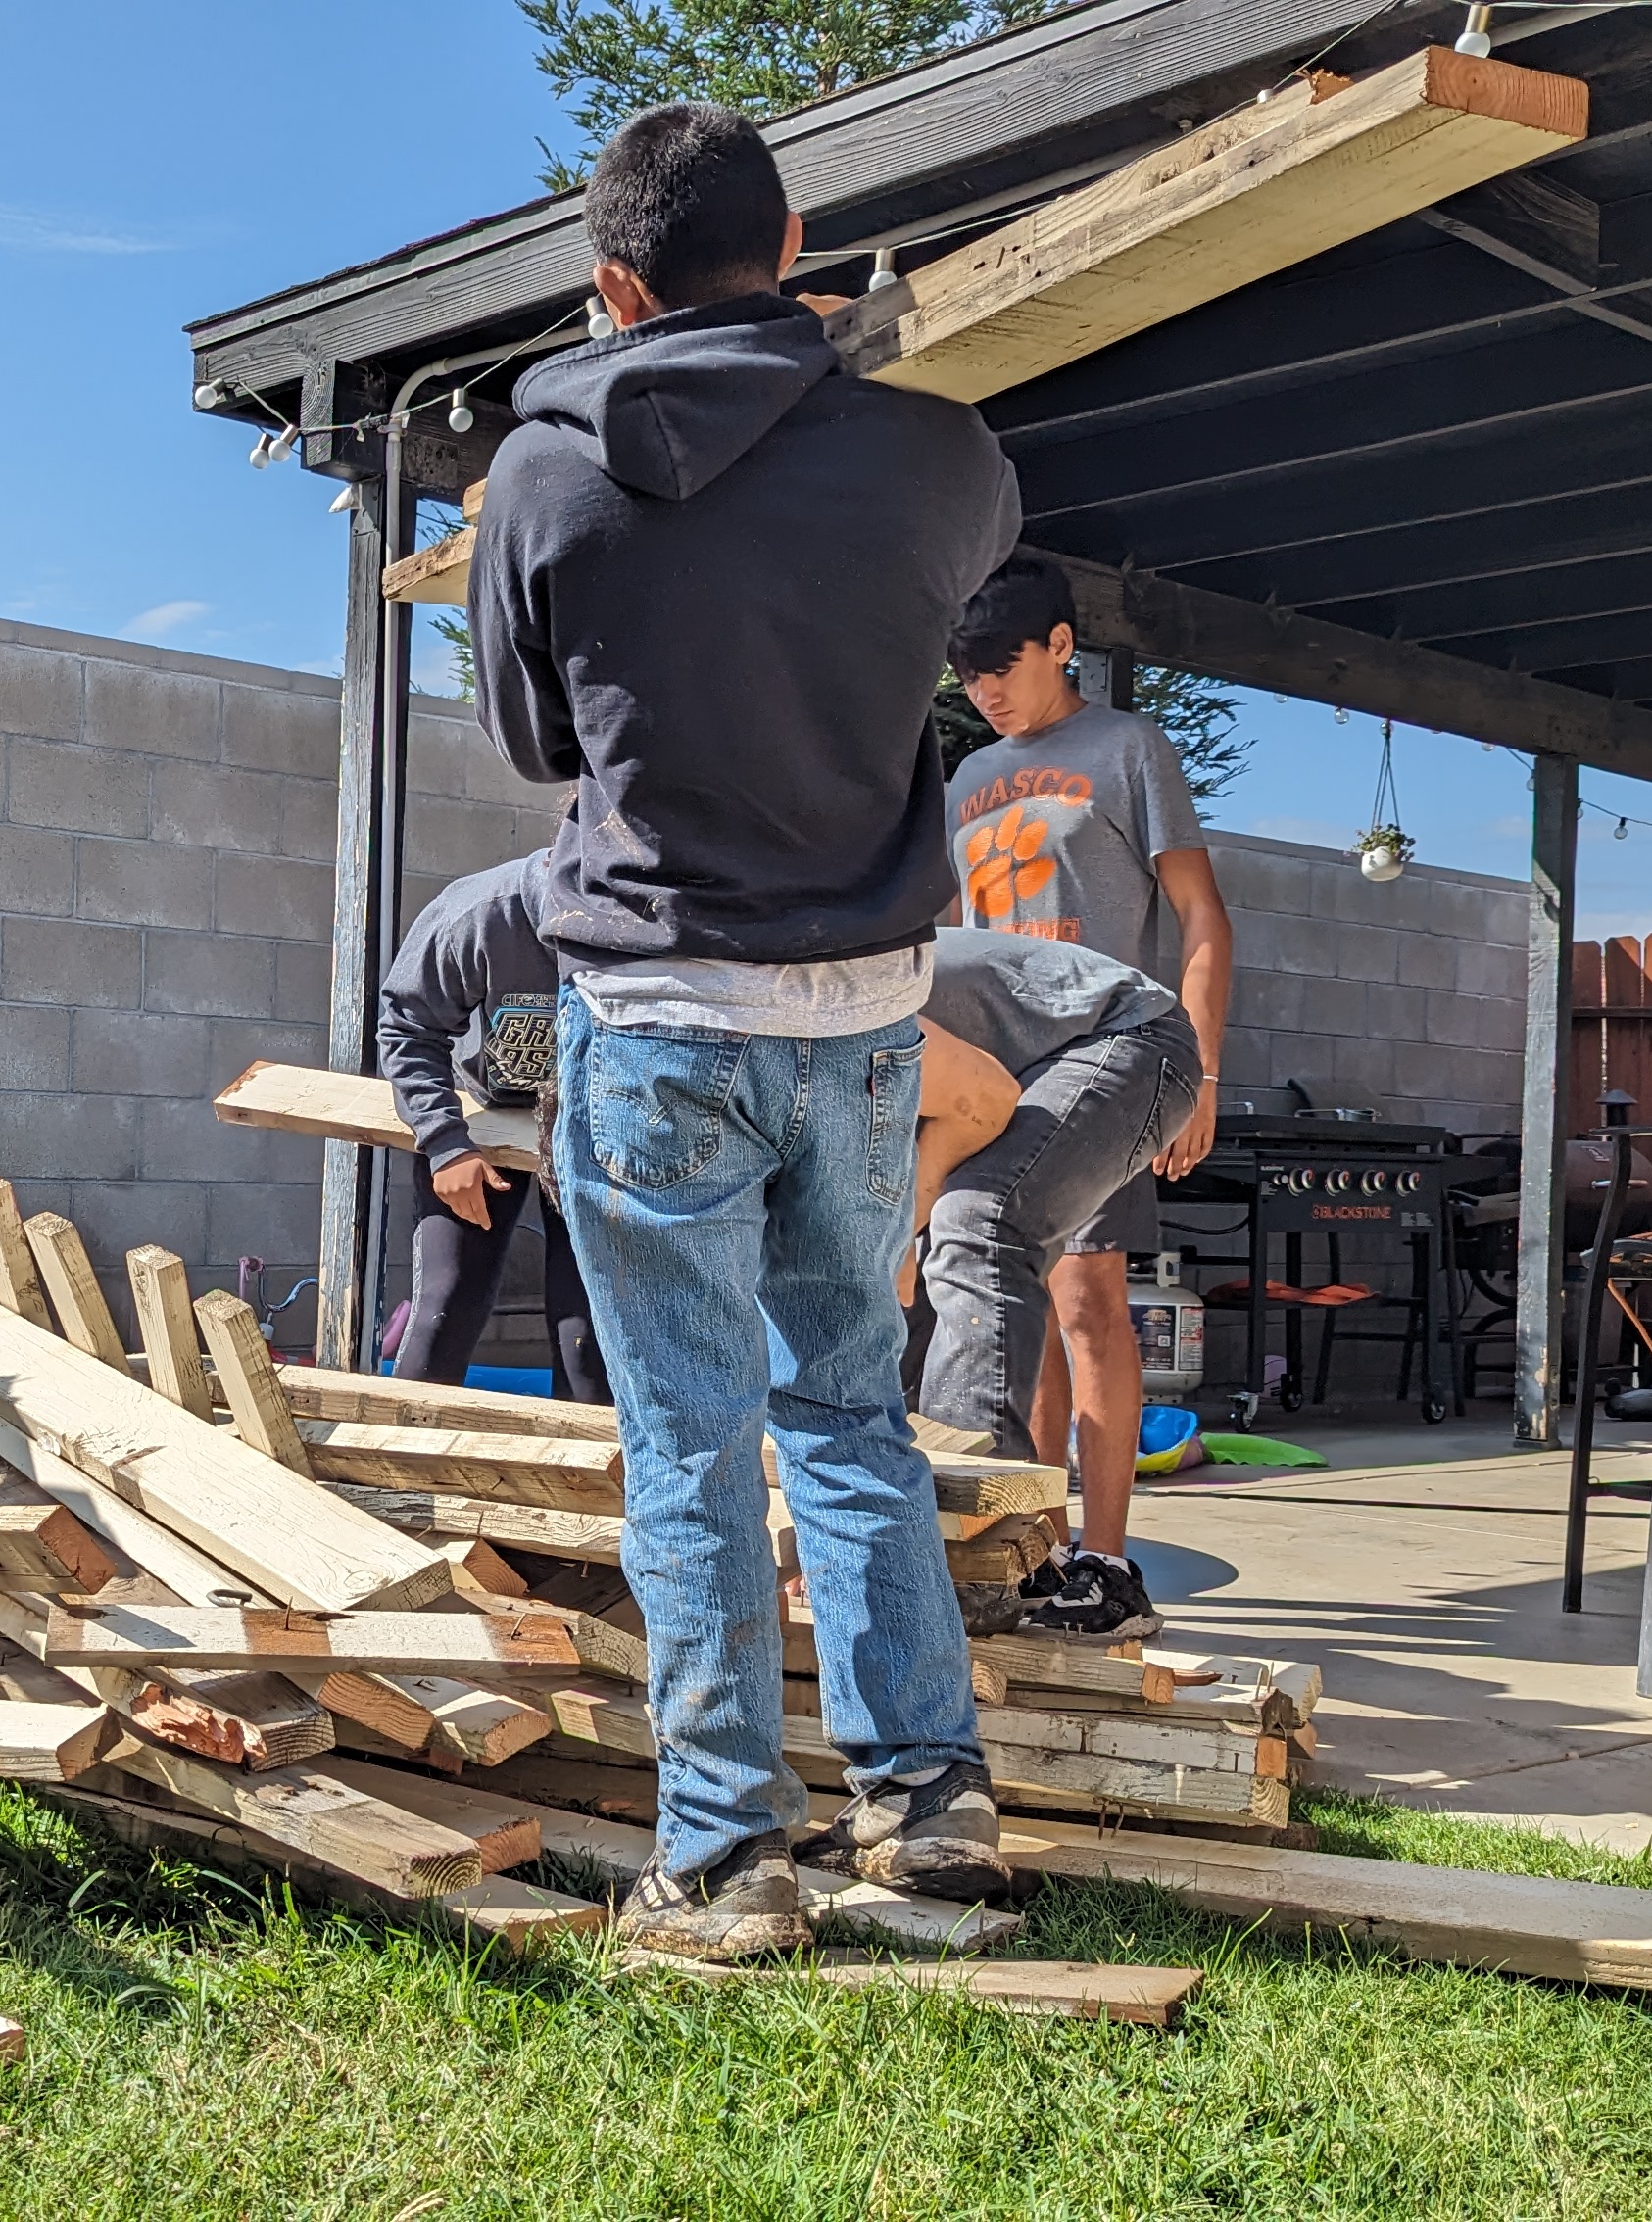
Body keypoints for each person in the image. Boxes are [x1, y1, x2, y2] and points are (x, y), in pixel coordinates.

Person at [471, 101, 1022, 1960]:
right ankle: (926, 1802)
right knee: (851, 1404)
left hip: (654, 1012)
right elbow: (937, 560)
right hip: (866, 1017)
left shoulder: (541, 477)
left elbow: (539, 743)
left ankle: (723, 1860)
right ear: (790, 251)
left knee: (689, 1441)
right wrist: (831, 359)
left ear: (610, 286)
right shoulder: (942, 459)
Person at [943, 556, 1234, 1646]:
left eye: (1003, 668)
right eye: (970, 677)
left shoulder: (1128, 748)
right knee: (1007, 1301)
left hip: (1107, 1055)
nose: (987, 693)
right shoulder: (966, 779)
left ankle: (1107, 1563)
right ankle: (1038, 1552)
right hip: (992, 1075)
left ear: (1062, 645)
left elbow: (1203, 917)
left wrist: (1202, 1072)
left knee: (1086, 1303)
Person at [904, 929, 1203, 1641]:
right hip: (1024, 1066)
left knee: (980, 1225)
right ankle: (1028, 1555)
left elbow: (985, 1098)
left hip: (1130, 1040)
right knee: (930, 1267)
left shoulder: (837, 1008)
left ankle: (986, 1551)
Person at [376, 850, 609, 1402]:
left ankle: (585, 1458)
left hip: (593, 1131)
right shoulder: (480, 913)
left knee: (587, 1330)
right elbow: (407, 1028)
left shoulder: (641, 917)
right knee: (447, 1304)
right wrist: (446, 1144)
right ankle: (403, 1449)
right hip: (483, 1127)